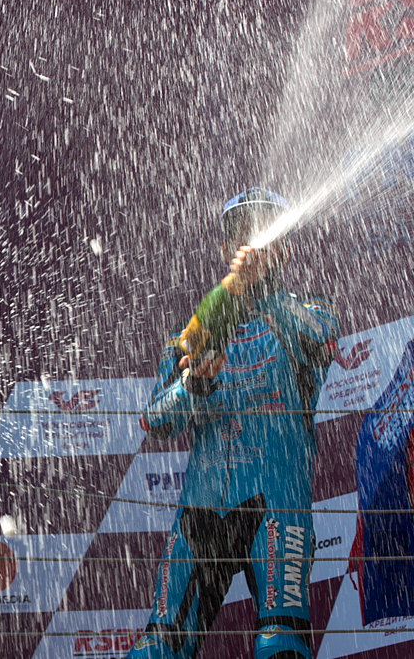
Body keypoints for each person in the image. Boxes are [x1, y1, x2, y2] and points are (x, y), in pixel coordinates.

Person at [127, 189, 339, 659]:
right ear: (225, 250)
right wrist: (194, 385)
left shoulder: (313, 312)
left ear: (281, 249)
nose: (249, 243)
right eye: (239, 236)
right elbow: (155, 420)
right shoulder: (193, 332)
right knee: (155, 651)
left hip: (276, 509)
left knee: (280, 645)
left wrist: (259, 292)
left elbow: (318, 341)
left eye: (260, 234)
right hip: (200, 515)